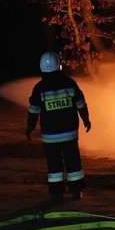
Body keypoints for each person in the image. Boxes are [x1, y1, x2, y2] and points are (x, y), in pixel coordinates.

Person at [25, 52, 92, 202]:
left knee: (54, 165)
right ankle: (77, 191)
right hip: (69, 133)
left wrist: (30, 127)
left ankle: (57, 193)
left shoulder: (39, 88)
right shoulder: (69, 83)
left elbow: (34, 110)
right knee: (73, 162)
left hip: (50, 136)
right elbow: (80, 103)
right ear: (59, 65)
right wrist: (86, 119)